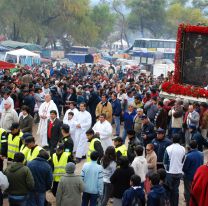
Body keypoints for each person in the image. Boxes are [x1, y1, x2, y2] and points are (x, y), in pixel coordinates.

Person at [163, 134, 185, 206]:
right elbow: (183, 160)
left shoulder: (168, 148)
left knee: (168, 190)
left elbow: (165, 161)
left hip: (170, 173)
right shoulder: (183, 149)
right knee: (175, 191)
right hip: (179, 172)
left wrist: (167, 169)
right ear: (180, 140)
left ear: (172, 140)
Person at [182, 140, 204, 206]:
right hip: (197, 176)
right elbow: (201, 164)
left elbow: (184, 168)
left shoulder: (188, 156)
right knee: (196, 190)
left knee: (188, 191)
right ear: (197, 146)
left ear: (189, 147)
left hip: (188, 176)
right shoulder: (201, 154)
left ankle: (188, 203)